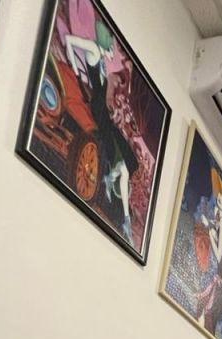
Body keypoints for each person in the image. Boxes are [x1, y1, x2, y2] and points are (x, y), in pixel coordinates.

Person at [64, 20, 138, 244]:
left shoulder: (102, 58)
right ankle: (112, 183)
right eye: (111, 46)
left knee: (126, 164)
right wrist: (76, 72)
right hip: (97, 106)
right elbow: (69, 41)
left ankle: (122, 211)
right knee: (122, 159)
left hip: (102, 108)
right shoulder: (95, 50)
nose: (112, 51)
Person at [196, 169, 222, 337]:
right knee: (201, 308)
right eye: (220, 195)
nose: (219, 198)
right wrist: (209, 226)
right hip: (219, 280)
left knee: (206, 311)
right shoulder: (218, 221)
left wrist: (211, 234)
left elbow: (219, 257)